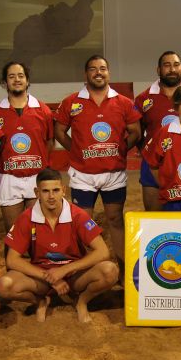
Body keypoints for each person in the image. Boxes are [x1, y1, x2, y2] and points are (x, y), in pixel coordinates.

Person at [0, 168, 118, 323]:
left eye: (55, 190)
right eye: (45, 191)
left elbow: (103, 252)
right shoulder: (26, 218)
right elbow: (12, 260)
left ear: (63, 191)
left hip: (75, 275)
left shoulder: (78, 215)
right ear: (37, 193)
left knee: (110, 271)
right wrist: (50, 277)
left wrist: (64, 270)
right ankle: (40, 301)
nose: (51, 196)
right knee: (3, 286)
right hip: (41, 278)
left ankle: (81, 301)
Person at [54, 55, 141, 273]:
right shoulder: (71, 102)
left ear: (108, 73)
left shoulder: (123, 102)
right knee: (83, 224)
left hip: (114, 174)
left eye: (102, 68)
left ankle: (124, 272)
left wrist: (120, 150)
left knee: (115, 219)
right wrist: (76, 149)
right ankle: (84, 273)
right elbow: (59, 131)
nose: (98, 72)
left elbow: (135, 132)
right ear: (86, 74)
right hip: (83, 175)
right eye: (93, 69)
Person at [134, 51, 181, 211]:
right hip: (153, 164)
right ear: (158, 70)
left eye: (176, 65)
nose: (172, 69)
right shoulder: (143, 99)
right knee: (154, 217)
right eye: (167, 65)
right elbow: (136, 131)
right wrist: (147, 150)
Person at [0, 61, 54, 233]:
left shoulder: (43, 110)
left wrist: (36, 163)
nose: (17, 80)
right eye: (11, 76)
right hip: (8, 178)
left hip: (36, 176)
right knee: (13, 233)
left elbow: (49, 142)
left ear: (27, 80)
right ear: (5, 82)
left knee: (39, 231)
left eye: (21, 76)